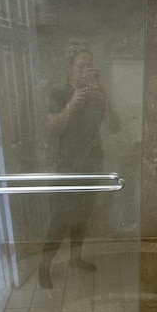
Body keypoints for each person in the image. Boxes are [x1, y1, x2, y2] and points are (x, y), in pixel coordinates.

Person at [38, 45, 119, 288]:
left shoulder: (97, 95)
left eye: (89, 66)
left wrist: (106, 98)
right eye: (79, 66)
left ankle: (75, 258)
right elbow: (51, 128)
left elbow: (115, 126)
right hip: (66, 167)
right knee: (60, 219)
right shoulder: (59, 92)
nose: (85, 71)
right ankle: (44, 265)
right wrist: (72, 103)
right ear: (70, 70)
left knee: (83, 215)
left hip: (92, 165)